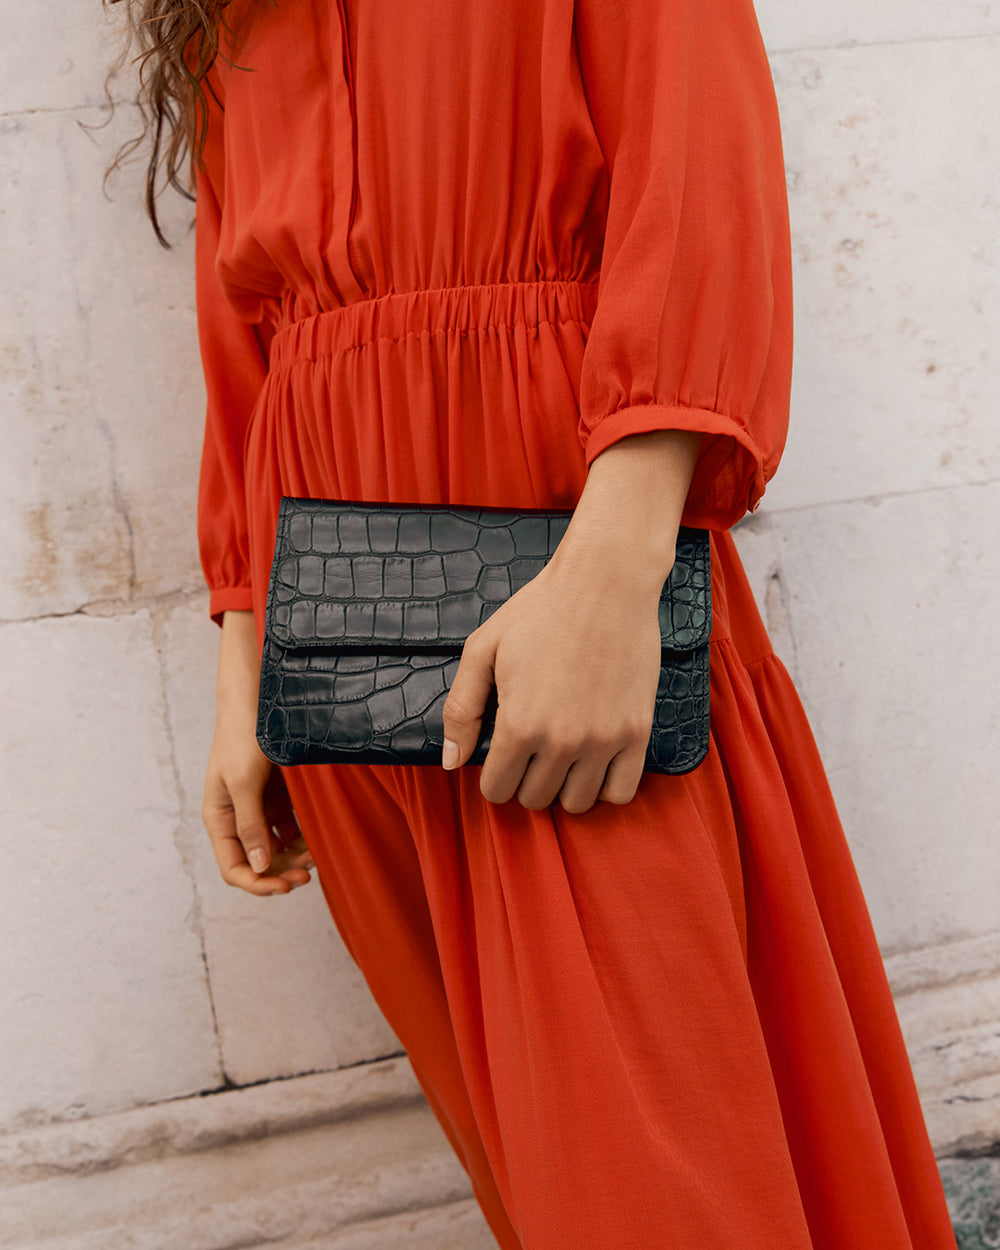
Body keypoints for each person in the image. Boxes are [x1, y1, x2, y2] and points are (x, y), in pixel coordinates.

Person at [112, 0, 959, 1245]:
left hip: (567, 573)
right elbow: (248, 345)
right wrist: (247, 668)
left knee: (672, 1180)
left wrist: (612, 573)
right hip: (340, 662)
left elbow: (696, 167)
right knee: (546, 1183)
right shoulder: (222, 8)